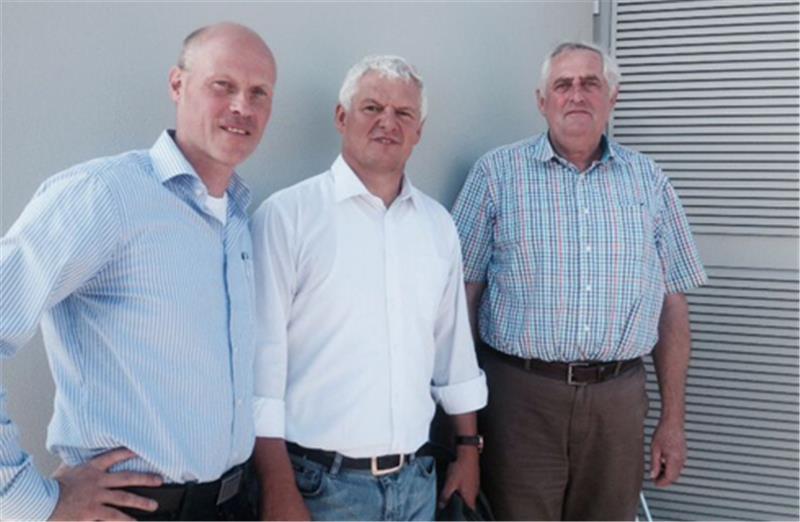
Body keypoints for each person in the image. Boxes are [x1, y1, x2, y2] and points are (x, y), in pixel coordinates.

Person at [0, 22, 277, 521]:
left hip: (231, 506)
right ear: (177, 85)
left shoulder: (237, 218)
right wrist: (25, 500)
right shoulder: (105, 196)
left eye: (259, 93)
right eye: (224, 86)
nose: (244, 106)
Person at [451, 41, 707, 521]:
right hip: (519, 398)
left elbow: (673, 305)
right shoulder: (495, 175)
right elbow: (459, 300)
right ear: (541, 100)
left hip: (619, 401)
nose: (576, 95)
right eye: (562, 85)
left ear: (613, 97)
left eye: (591, 83)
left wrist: (673, 421)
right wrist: (460, 426)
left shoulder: (649, 181)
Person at [250, 55, 488, 521]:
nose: (388, 123)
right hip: (320, 487)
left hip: (418, 483)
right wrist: (277, 486)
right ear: (342, 117)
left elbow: (454, 352)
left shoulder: (438, 225)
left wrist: (469, 450)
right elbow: (261, 367)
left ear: (419, 131)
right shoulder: (288, 218)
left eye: (404, 114)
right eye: (372, 108)